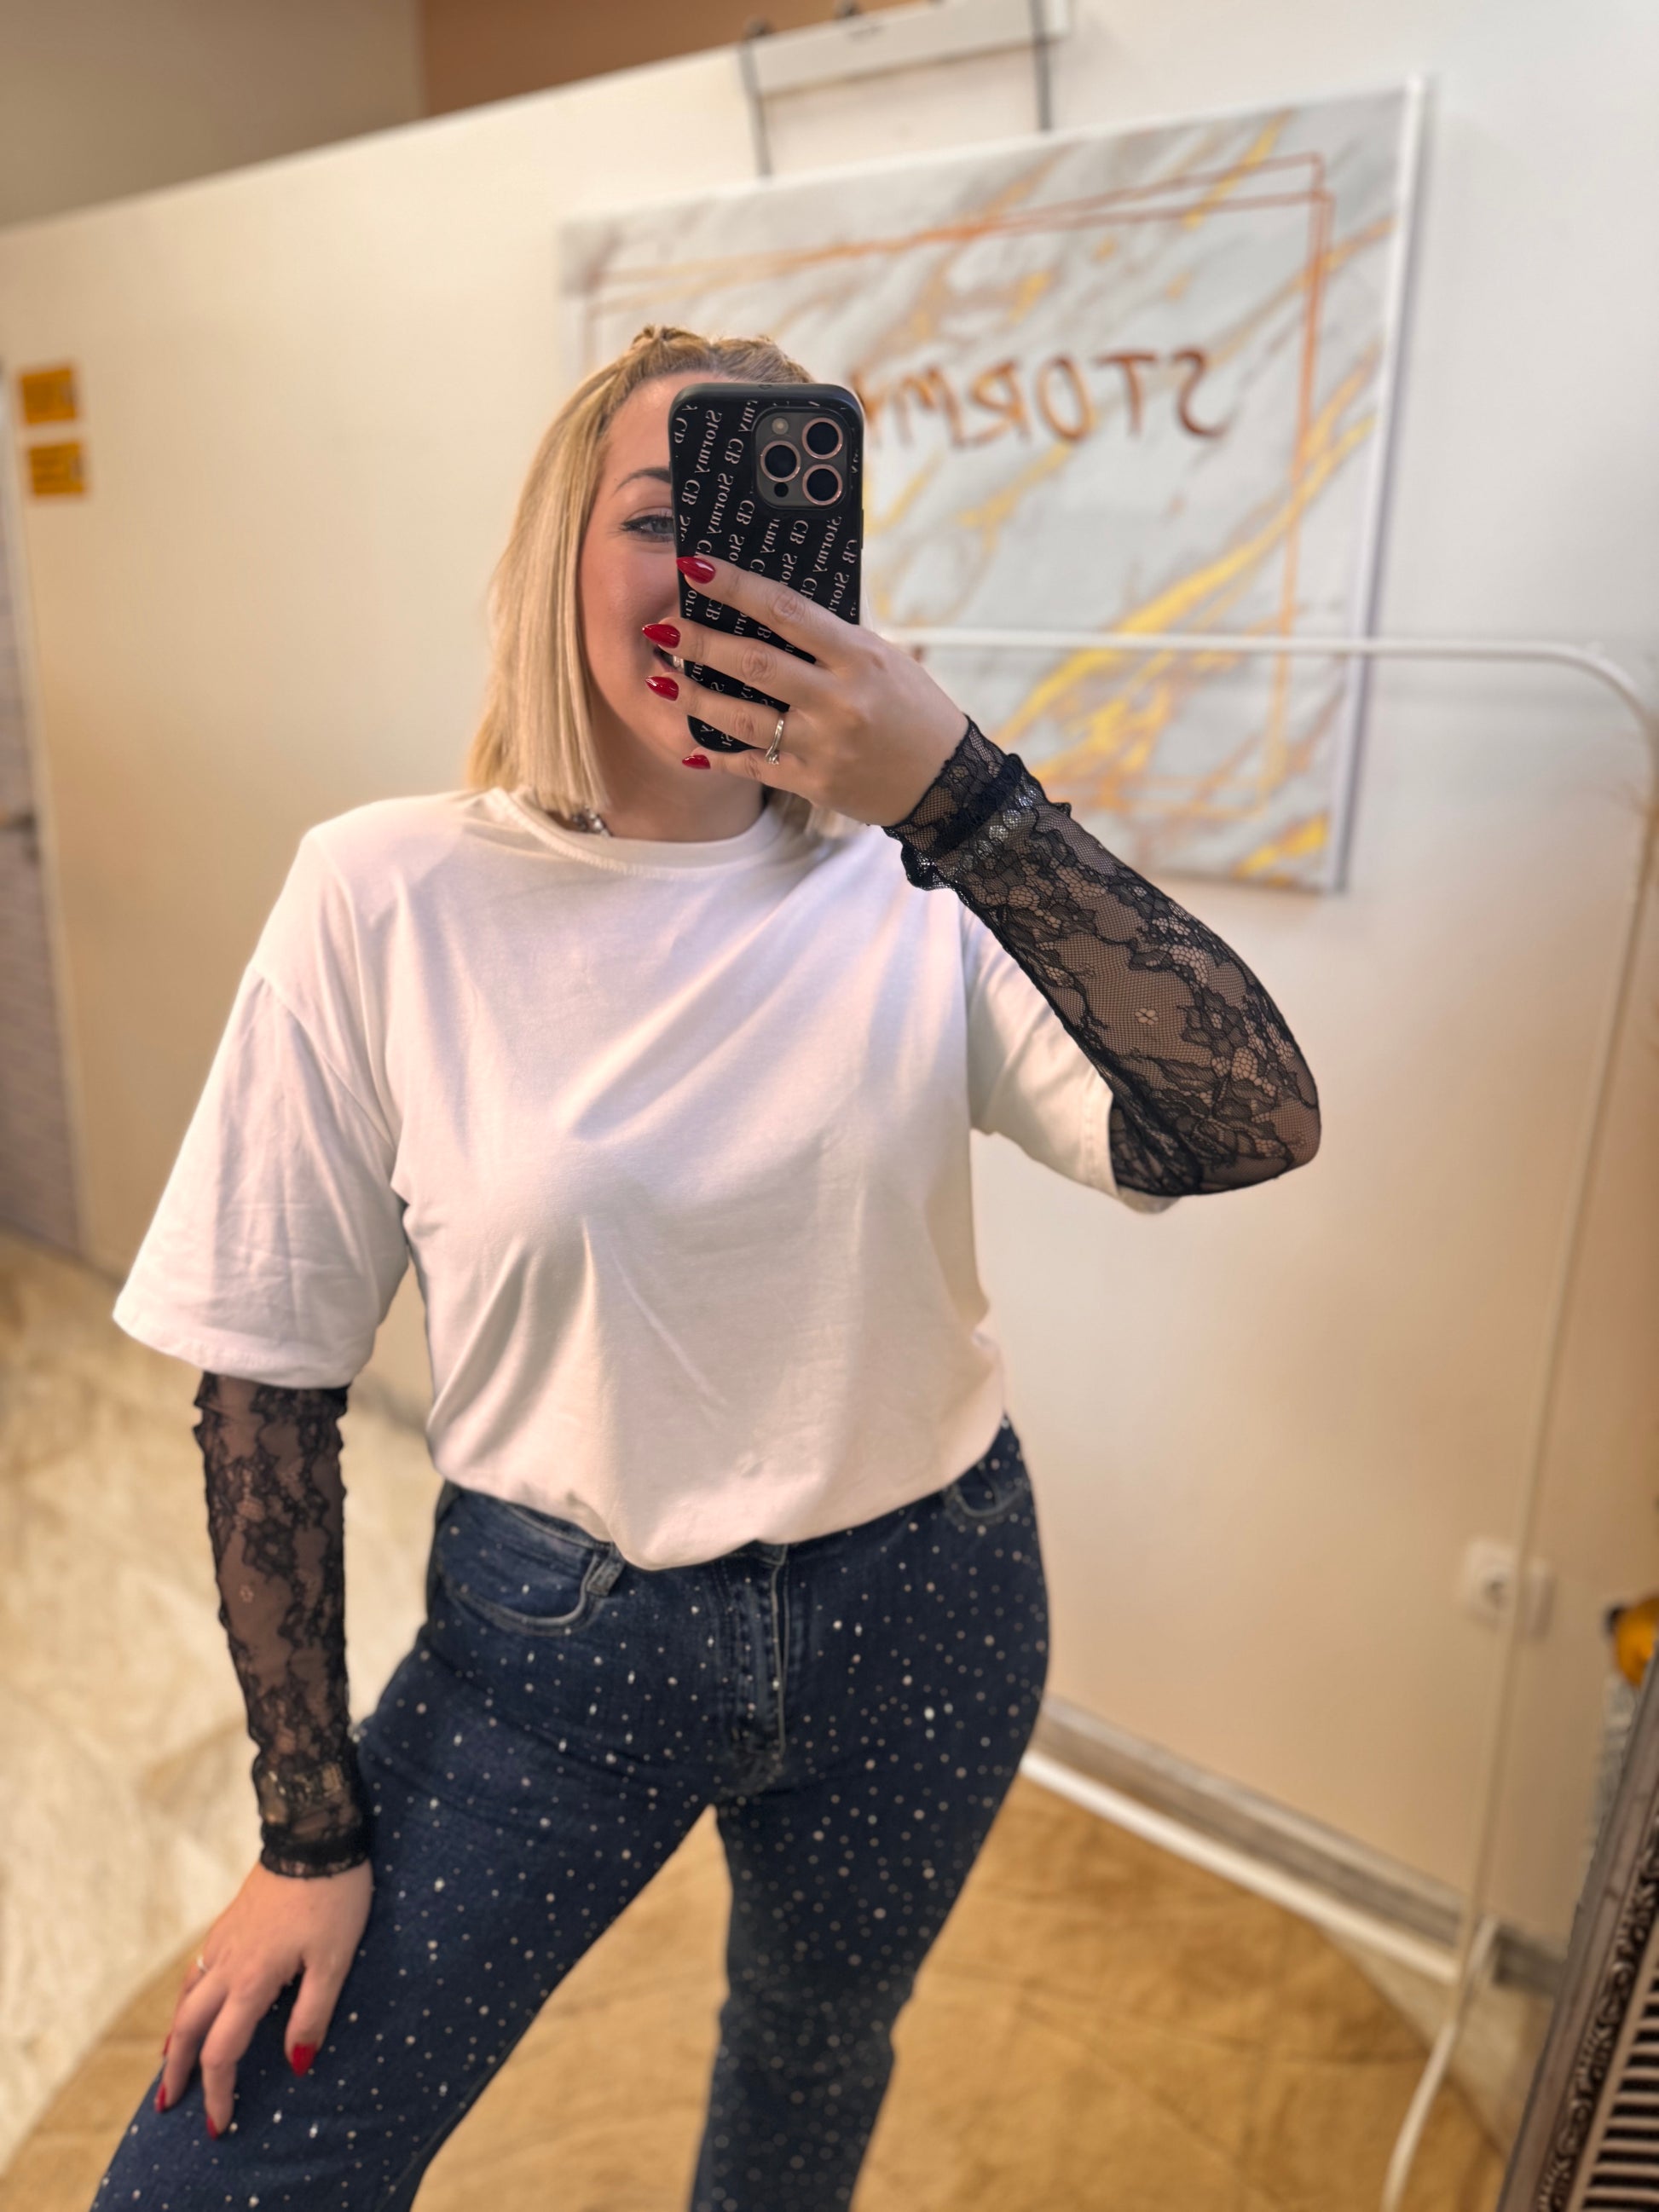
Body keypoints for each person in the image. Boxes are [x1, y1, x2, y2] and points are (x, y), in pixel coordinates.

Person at [90, 325, 1319, 2211]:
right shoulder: (385, 892)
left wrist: (961, 797)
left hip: (931, 1607)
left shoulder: (918, 885)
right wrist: (307, 1829)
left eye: (765, 529)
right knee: (225, 2171)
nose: (714, 577)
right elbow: (266, 1380)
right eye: (664, 520)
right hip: (553, 1652)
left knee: (811, 2048)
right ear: (556, 558)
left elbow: (1241, 1118)